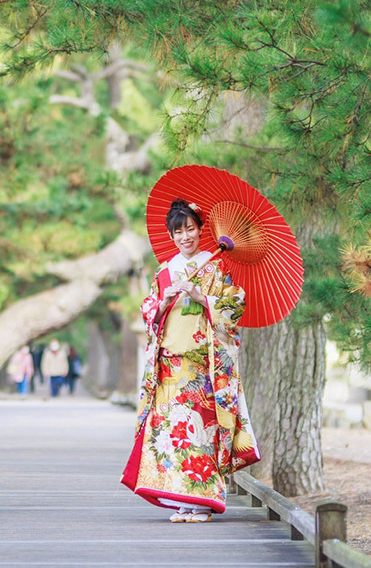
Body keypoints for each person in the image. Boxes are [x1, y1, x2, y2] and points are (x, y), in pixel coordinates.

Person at [120, 198, 260, 523]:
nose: (185, 237)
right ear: (171, 236)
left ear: (200, 230)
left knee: (202, 432)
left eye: (190, 229)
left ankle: (205, 502)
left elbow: (235, 305)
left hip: (202, 367)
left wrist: (203, 298)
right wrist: (162, 301)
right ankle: (182, 501)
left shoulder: (215, 267)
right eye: (178, 231)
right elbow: (148, 310)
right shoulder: (164, 272)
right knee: (175, 435)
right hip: (169, 365)